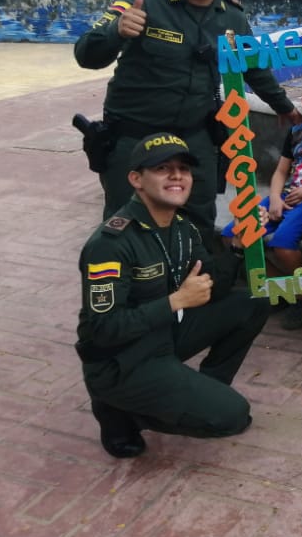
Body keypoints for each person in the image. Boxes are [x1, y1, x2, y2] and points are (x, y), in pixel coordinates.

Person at [74, 0, 301, 245]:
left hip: (194, 140)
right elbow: (86, 54)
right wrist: (117, 31)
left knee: (198, 225)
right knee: (126, 230)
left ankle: (196, 277)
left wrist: (285, 107)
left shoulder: (232, 17)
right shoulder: (142, 0)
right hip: (135, 138)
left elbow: (253, 67)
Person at [76, 133, 269, 458]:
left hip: (163, 335)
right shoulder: (111, 244)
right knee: (233, 416)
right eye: (162, 168)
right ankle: (118, 410)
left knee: (253, 302)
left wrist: (238, 244)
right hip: (120, 359)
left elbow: (211, 287)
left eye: (183, 169)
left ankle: (203, 390)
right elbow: (104, 329)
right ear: (136, 179)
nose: (177, 176)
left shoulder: (181, 228)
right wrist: (176, 301)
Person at [222, 72, 302, 330]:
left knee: (283, 243)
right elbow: (281, 171)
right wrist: (275, 197)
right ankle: (282, 287)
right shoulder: (297, 132)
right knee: (232, 233)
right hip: (285, 196)